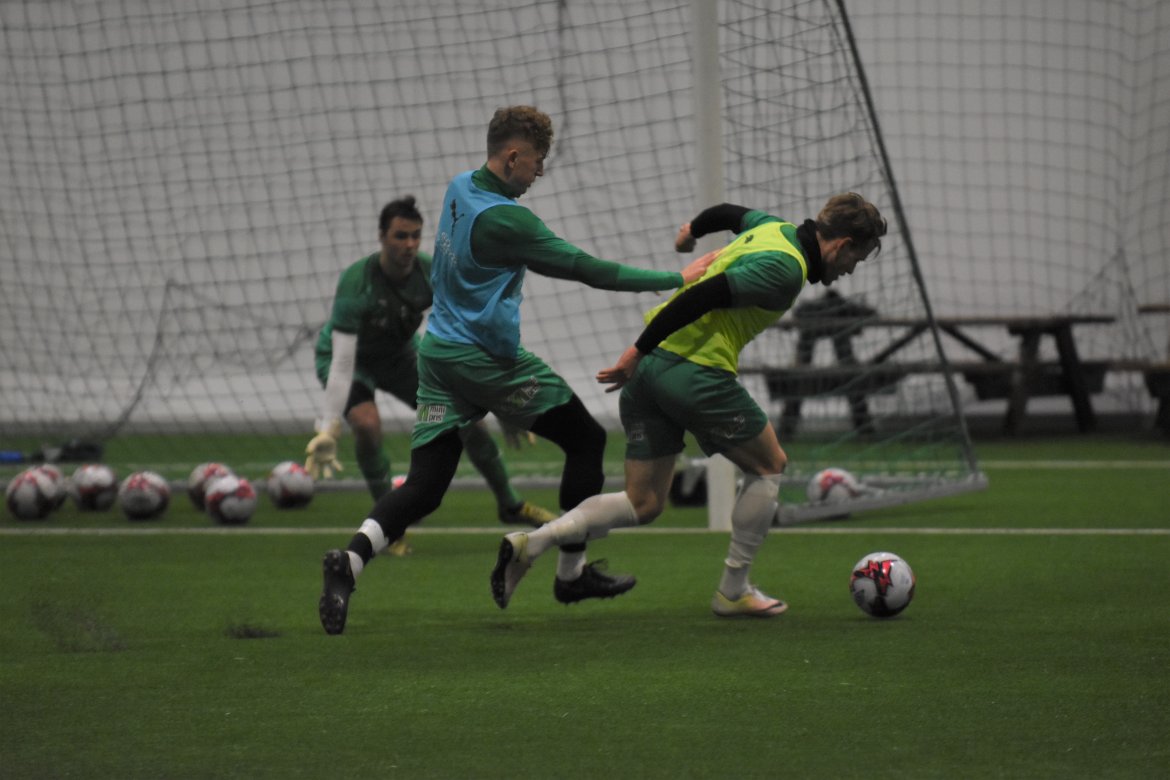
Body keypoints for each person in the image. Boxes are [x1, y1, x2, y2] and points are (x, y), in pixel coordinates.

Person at [317, 106, 716, 634]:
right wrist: (676, 278)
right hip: (487, 360)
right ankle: (571, 574)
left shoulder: (459, 186)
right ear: (512, 157)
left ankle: (351, 561)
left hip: (437, 356)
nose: (540, 171)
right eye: (538, 160)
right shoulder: (508, 220)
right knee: (586, 439)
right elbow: (586, 269)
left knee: (426, 484)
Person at [491, 193, 887, 616]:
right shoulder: (786, 270)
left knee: (643, 502)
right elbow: (703, 296)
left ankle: (533, 542)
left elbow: (728, 213)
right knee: (769, 464)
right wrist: (637, 350)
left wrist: (691, 231)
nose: (850, 270)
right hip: (693, 371)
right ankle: (734, 590)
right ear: (842, 244)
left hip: (650, 376)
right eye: (856, 259)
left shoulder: (772, 228)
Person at [306, 195, 557, 557]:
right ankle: (389, 527)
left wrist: (502, 399)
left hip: (401, 357)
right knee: (366, 424)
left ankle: (510, 504)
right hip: (350, 361)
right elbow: (344, 361)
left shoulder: (432, 273)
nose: (409, 245)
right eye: (400, 236)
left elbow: (473, 330)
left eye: (415, 236)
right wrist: (329, 427)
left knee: (469, 420)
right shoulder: (356, 283)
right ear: (381, 237)